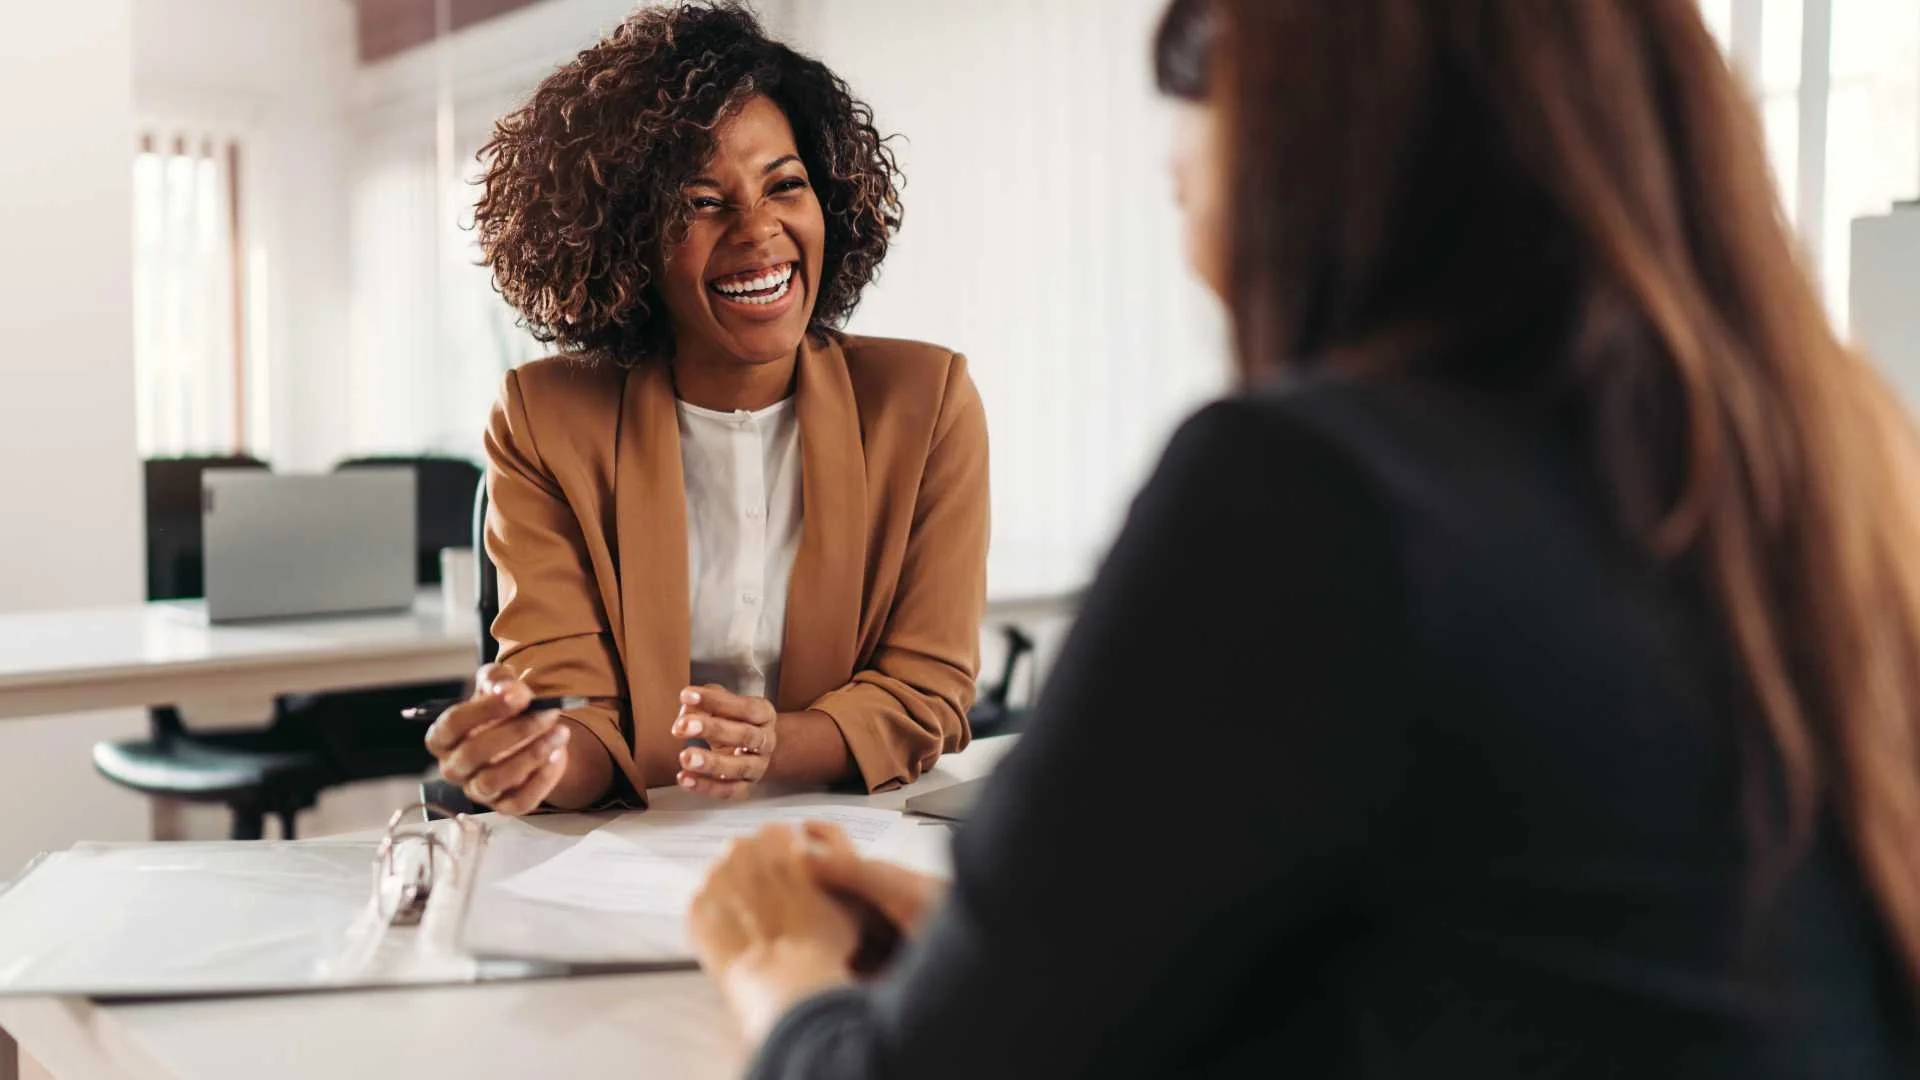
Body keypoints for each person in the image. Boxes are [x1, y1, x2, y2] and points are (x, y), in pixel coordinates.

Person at [687, 0, 1920, 1074]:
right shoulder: (1828, 468)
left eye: (1193, 194)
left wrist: (778, 969)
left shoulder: (1315, 493)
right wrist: (1030, 961)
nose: (1198, 255)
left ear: (1318, 168)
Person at [422, 2, 988, 813]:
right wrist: (532, 756)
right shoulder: (545, 418)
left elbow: (926, 691)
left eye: (784, 184)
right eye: (698, 201)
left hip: (846, 833)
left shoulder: (925, 403)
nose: (759, 231)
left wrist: (772, 745)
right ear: (626, 240)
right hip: (628, 848)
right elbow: (577, 715)